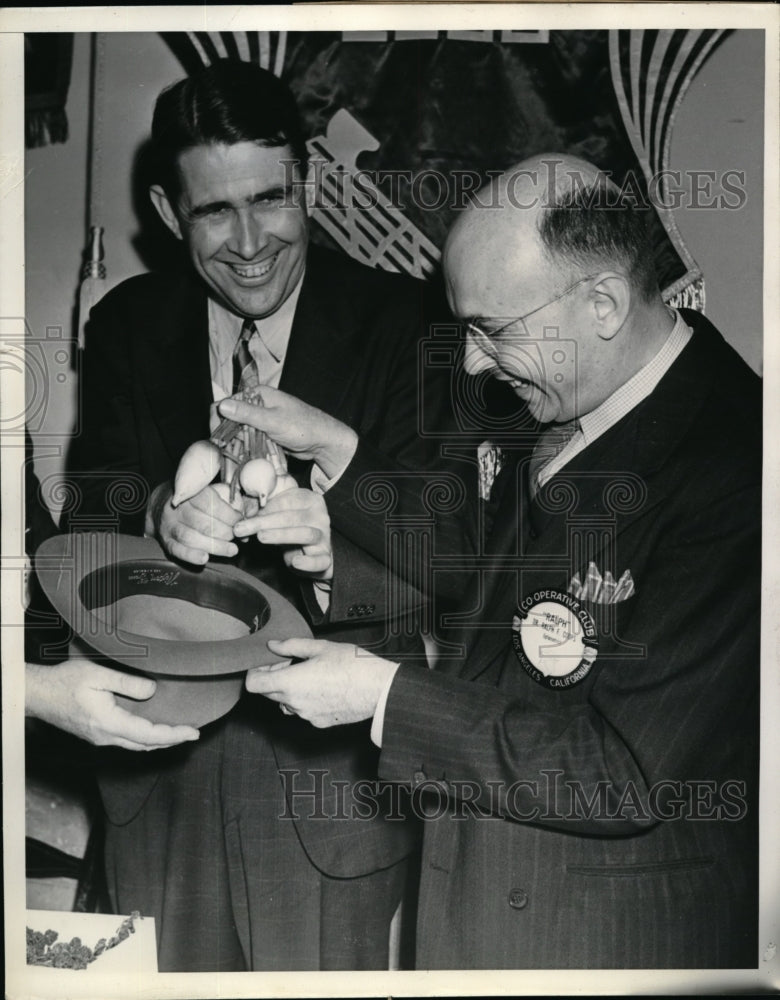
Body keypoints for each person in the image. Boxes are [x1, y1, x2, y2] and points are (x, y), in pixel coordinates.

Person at [238, 154, 761, 968]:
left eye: (494, 330)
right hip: (477, 909)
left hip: (600, 944)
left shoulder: (737, 464)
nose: (474, 363)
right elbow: (494, 584)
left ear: (604, 303)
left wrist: (382, 695)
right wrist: (336, 458)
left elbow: (624, 772)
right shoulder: (573, 392)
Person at [61, 59, 469, 971]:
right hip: (154, 779)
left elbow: (455, 549)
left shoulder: (408, 324)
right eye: (213, 211)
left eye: (270, 201)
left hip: (328, 799)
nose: (249, 242)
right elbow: (84, 522)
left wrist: (334, 549)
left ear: (311, 187)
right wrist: (159, 517)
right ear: (170, 214)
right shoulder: (125, 326)